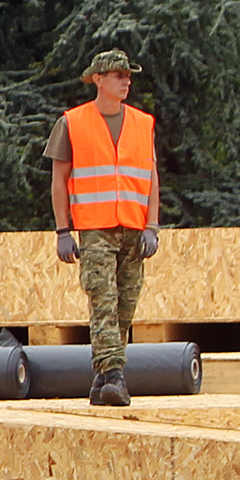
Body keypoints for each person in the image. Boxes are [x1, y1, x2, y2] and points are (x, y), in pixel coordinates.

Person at [49, 49, 161, 408]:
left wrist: (152, 225)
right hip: (95, 229)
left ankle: (102, 378)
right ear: (98, 80)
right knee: (103, 301)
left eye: (128, 76)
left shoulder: (143, 123)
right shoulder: (72, 122)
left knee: (126, 306)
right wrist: (63, 231)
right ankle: (114, 375)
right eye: (118, 75)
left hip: (133, 228)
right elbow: (59, 179)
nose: (126, 81)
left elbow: (151, 177)